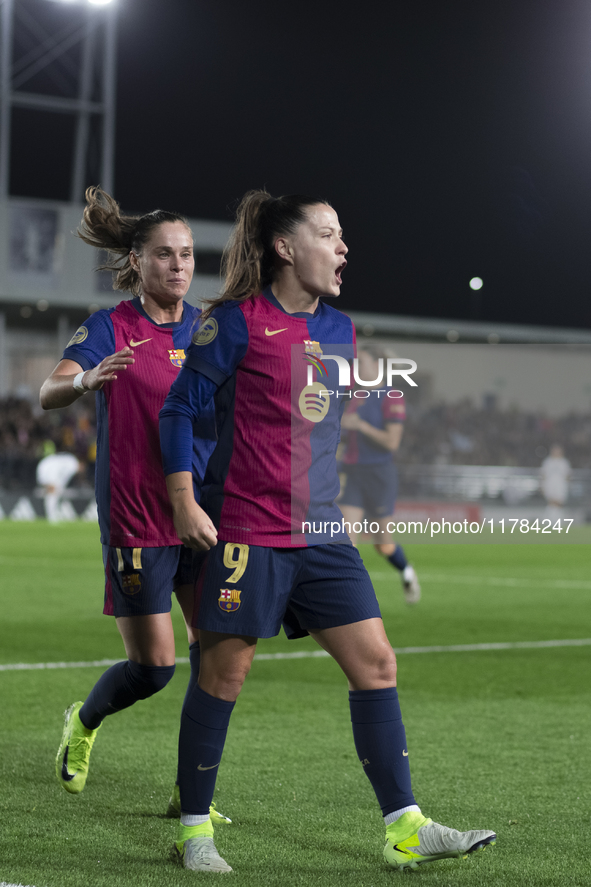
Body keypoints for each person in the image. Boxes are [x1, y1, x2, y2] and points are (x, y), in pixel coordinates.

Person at [159, 189, 496, 873]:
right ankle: (194, 829)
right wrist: (184, 501)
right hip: (249, 531)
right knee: (225, 673)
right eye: (328, 234)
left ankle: (403, 825)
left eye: (343, 236)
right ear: (286, 247)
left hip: (321, 531)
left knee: (376, 663)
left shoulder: (340, 331)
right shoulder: (231, 323)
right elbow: (176, 412)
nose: (343, 247)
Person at [39, 187, 228, 826]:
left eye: (187, 254)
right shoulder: (110, 327)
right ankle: (84, 720)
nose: (179, 265)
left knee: (217, 659)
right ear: (137, 262)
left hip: (201, 519)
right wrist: (86, 379)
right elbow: (48, 391)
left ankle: (192, 797)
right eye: (164, 255)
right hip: (138, 519)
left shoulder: (211, 330)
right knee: (155, 669)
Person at [339, 344, 421, 604]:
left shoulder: (392, 397)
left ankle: (407, 571)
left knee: (383, 545)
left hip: (379, 475)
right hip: (353, 473)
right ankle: (348, 601)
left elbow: (392, 442)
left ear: (376, 366)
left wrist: (361, 426)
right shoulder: (355, 394)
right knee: (345, 542)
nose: (357, 368)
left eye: (361, 362)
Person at [36, 448, 83, 523]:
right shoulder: (73, 463)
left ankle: (55, 515)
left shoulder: (67, 460)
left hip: (49, 473)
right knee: (53, 495)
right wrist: (57, 486)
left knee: (54, 494)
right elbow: (65, 477)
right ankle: (52, 517)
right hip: (50, 473)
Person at [540, 444, 571, 521]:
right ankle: (549, 520)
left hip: (560, 486)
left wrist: (567, 486)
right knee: (551, 502)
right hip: (550, 485)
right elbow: (543, 475)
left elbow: (567, 475)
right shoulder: (547, 462)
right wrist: (542, 486)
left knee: (559, 503)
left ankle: (558, 520)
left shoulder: (564, 462)